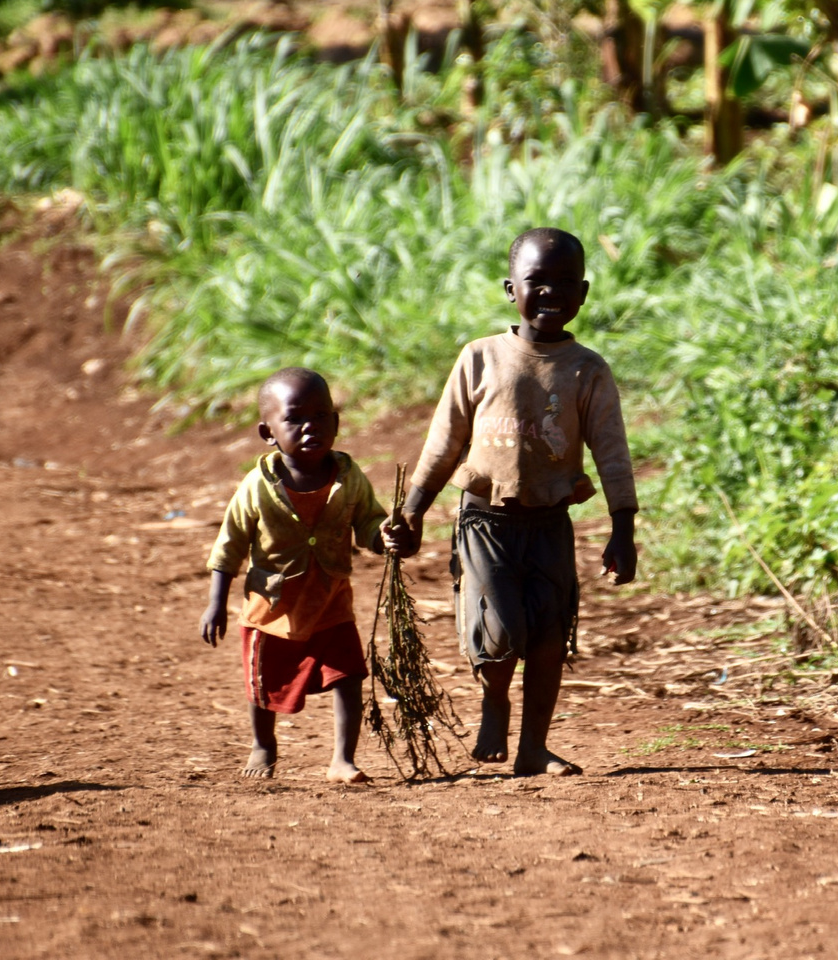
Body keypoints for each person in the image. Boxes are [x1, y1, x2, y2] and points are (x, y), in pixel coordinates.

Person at [383, 227, 638, 777]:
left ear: (584, 293)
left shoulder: (586, 370)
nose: (550, 293)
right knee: (498, 634)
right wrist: (412, 512)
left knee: (548, 640)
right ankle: (494, 700)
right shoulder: (481, 358)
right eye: (536, 282)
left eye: (565, 283)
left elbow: (612, 452)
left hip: (550, 523)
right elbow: (444, 442)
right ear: (510, 289)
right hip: (485, 523)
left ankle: (533, 748)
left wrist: (623, 526)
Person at [201, 367, 386, 783]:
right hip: (273, 607)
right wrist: (216, 603)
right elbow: (229, 543)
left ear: (336, 423)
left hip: (330, 597)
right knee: (264, 683)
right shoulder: (256, 486)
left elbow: (369, 522)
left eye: (322, 416)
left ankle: (342, 759)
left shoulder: (349, 477)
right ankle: (263, 746)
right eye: (295, 418)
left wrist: (385, 537)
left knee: (349, 676)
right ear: (268, 432)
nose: (310, 427)